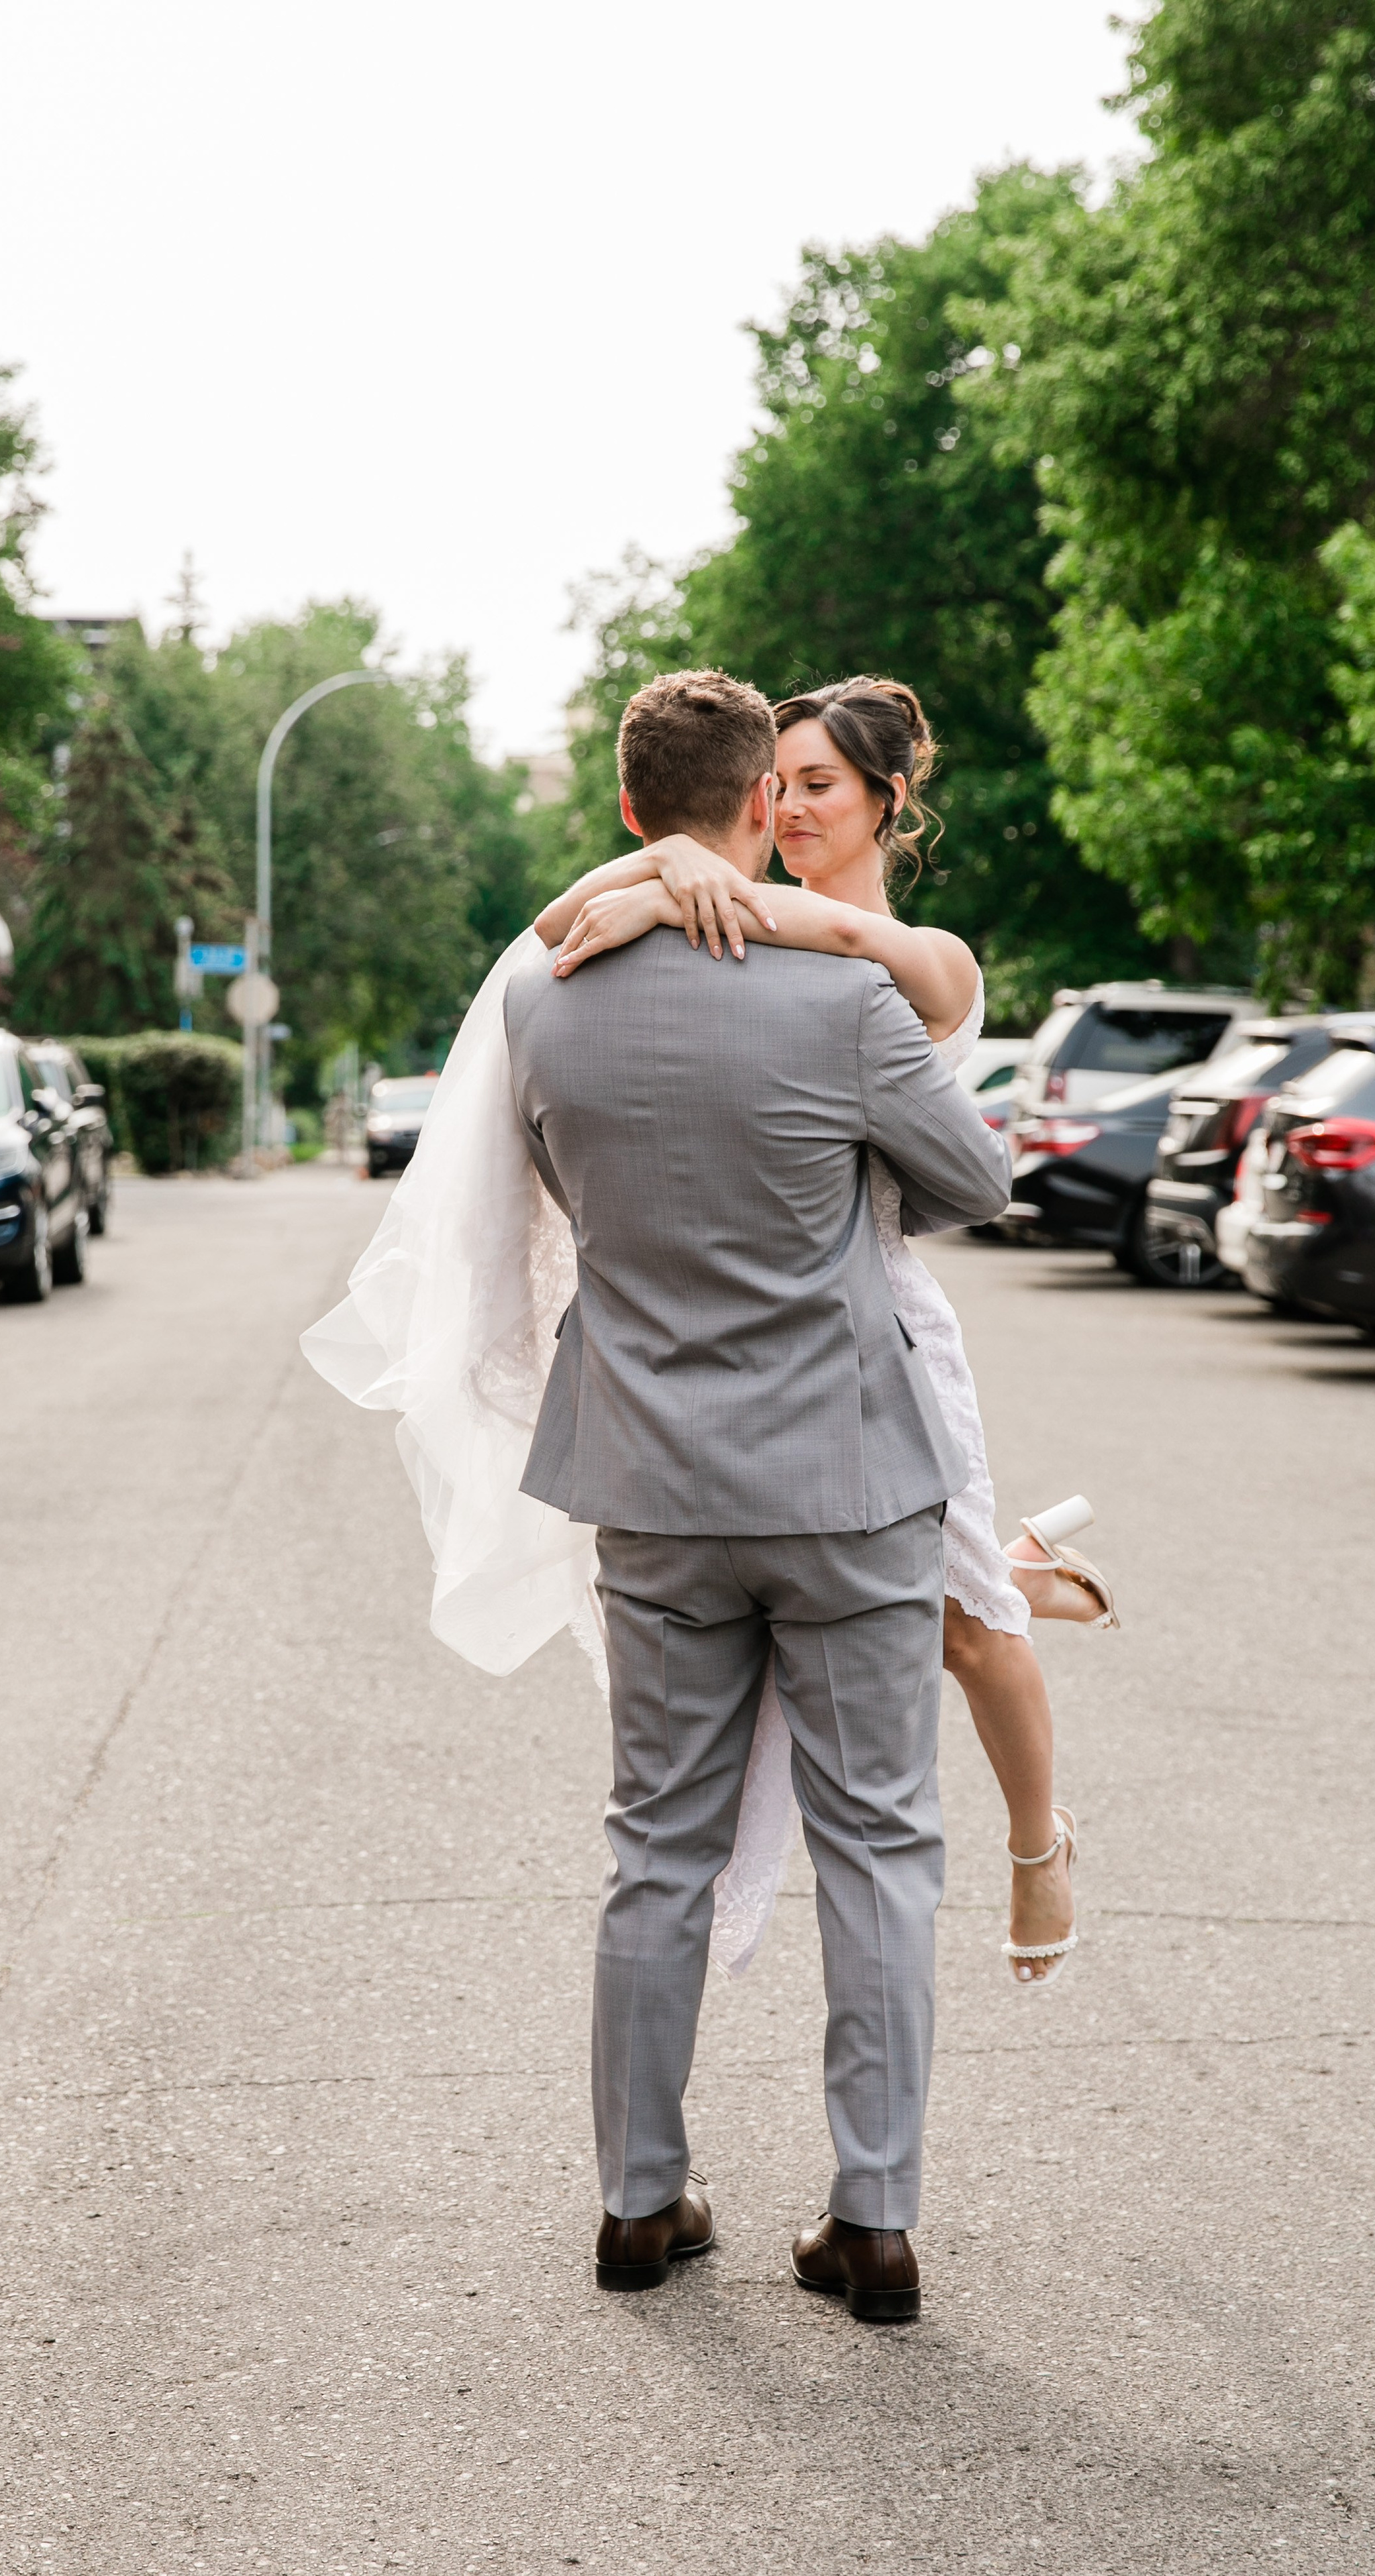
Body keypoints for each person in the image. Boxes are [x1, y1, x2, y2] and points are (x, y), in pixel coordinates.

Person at [501, 666, 1025, 2320]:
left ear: (629, 815)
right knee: (879, 1843)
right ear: (753, 812)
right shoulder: (841, 1007)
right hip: (850, 1481)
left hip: (650, 1485)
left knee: (655, 1843)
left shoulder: (545, 998)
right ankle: (872, 2223)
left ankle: (635, 2207)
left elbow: (551, 1179)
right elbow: (978, 1183)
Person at [537, 675, 1116, 1988]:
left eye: (822, 787)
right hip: (744, 1336)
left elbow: (865, 960)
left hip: (886, 1325)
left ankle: (1039, 1839)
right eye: (776, 786)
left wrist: (681, 882)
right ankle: (1010, 1569)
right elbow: (552, 927)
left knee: (967, 1633)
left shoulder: (929, 960)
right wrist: (666, 869)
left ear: (885, 801)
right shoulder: (717, 903)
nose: (791, 808)